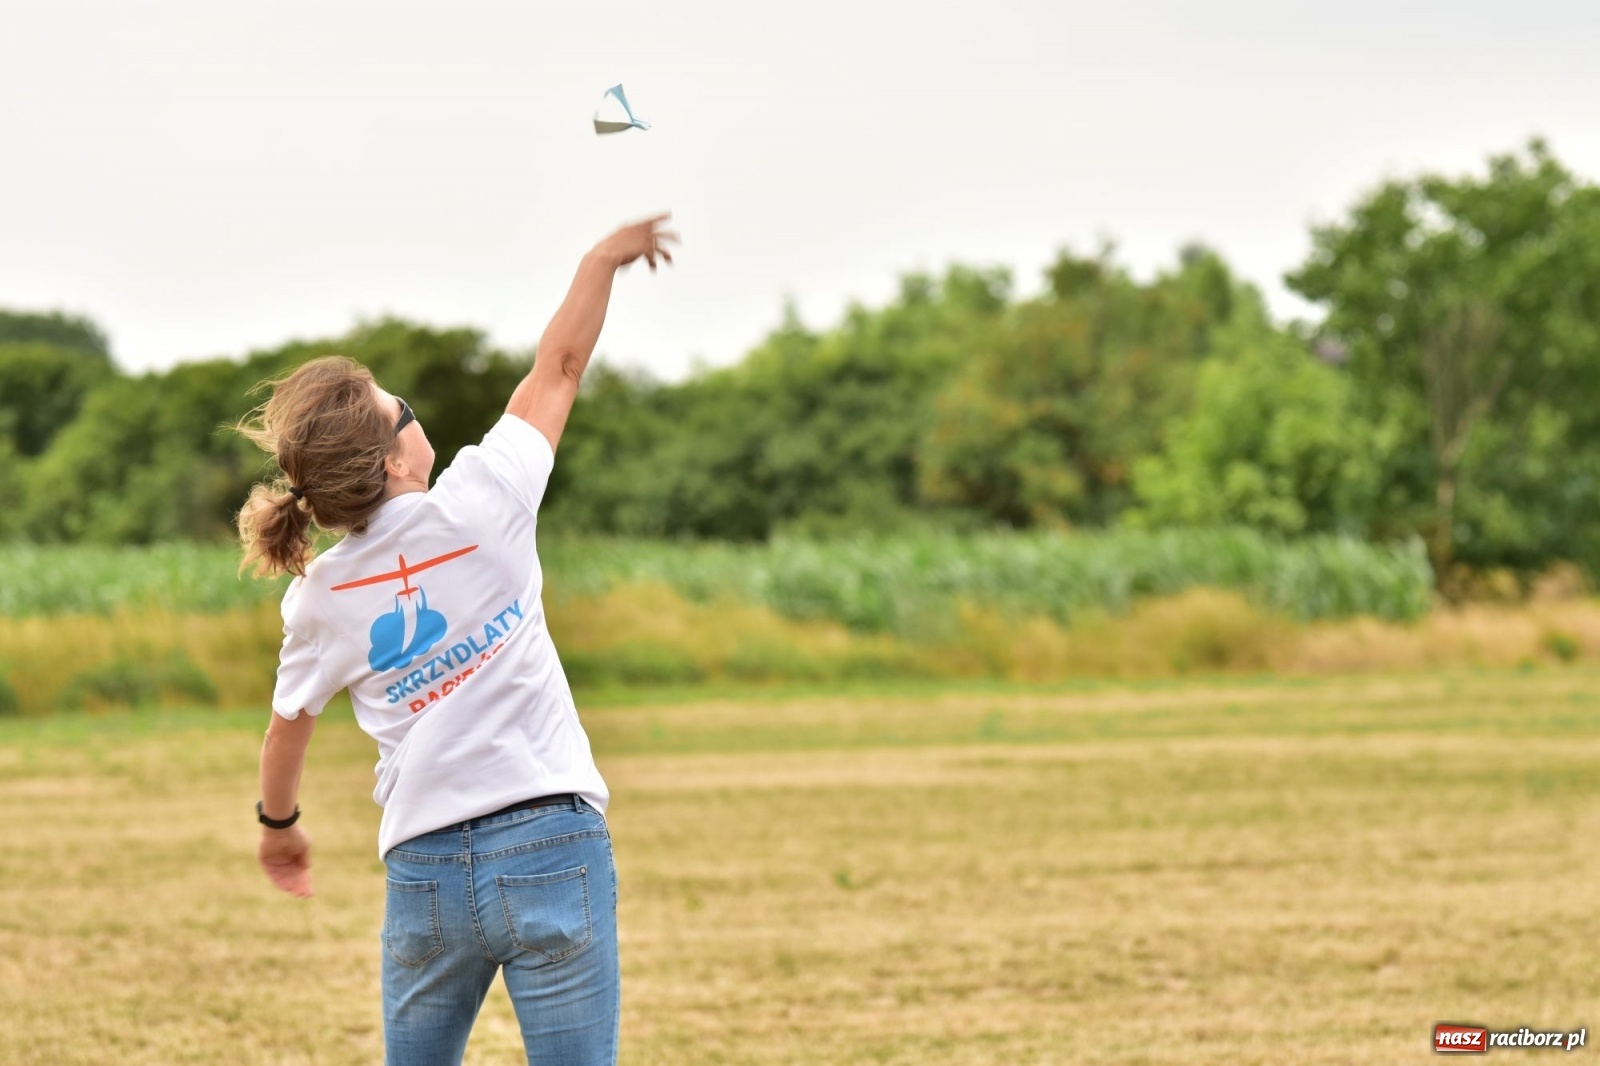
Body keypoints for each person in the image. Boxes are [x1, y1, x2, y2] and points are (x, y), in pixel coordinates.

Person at [235, 215, 677, 1066]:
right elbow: (560, 367)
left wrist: (278, 825)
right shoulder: (485, 496)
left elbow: (287, 727)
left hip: (426, 869)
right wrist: (602, 259)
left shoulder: (319, 594)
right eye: (400, 411)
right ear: (396, 462)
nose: (411, 413)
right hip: (552, 840)